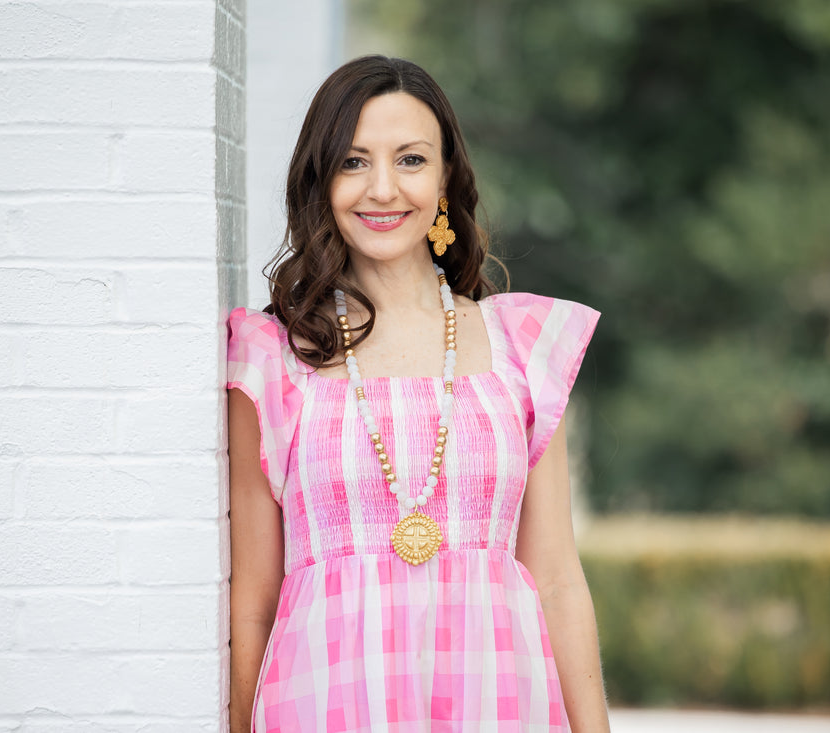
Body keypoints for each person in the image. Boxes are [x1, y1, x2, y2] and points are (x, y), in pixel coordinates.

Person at [228, 55, 610, 732]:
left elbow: (554, 576)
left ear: (445, 178)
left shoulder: (520, 343)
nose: (382, 188)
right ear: (322, 182)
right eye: (353, 162)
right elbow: (254, 597)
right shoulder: (272, 354)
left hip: (497, 701)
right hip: (325, 702)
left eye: (409, 160)